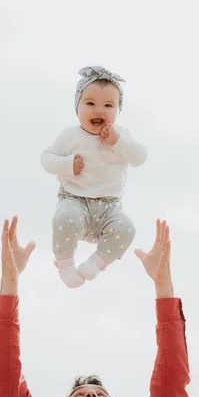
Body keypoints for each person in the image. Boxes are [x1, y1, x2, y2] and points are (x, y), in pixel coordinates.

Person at [0, 216, 190, 397]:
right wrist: (10, 281)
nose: (91, 395)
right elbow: (4, 378)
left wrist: (163, 284)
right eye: (79, 395)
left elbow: (171, 381)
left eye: (101, 395)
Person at [41, 66, 147, 288]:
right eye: (90, 104)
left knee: (127, 228)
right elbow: (46, 159)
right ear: (77, 107)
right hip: (74, 199)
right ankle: (65, 265)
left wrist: (117, 141)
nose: (99, 110)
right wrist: (67, 164)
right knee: (64, 219)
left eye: (108, 105)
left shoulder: (121, 135)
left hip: (109, 208)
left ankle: (96, 263)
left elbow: (140, 158)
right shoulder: (70, 135)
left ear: (118, 110)